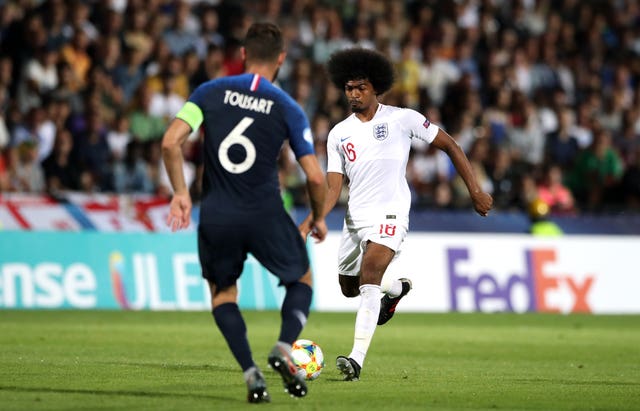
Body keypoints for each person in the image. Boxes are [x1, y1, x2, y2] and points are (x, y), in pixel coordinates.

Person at [300, 48, 492, 381]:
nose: (354, 94)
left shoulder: (403, 119)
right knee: (350, 287)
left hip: (391, 213)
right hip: (355, 218)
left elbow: (451, 146)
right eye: (349, 88)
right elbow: (333, 189)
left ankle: (356, 359)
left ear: (376, 88)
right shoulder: (337, 134)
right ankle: (396, 290)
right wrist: (312, 218)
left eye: (360, 87)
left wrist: (474, 190)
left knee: (371, 270)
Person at [161, 22, 328, 403]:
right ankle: (285, 346)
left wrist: (181, 194)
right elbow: (316, 178)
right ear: (281, 59)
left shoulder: (208, 91)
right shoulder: (288, 108)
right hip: (265, 212)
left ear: (242, 55)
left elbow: (170, 143)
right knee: (301, 279)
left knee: (223, 294)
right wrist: (317, 217)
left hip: (217, 214)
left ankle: (251, 372)